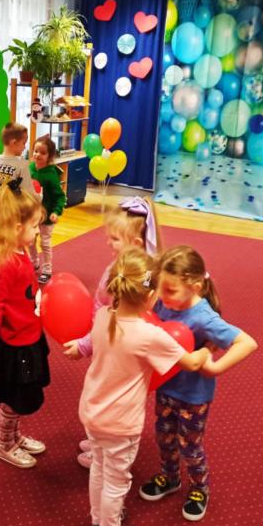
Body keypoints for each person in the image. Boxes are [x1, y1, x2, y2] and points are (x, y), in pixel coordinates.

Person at [80, 248, 210, 526]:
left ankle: (99, 520)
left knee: (99, 468)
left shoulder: (103, 315)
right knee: (117, 480)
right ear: (151, 297)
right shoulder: (149, 335)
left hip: (92, 412)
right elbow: (192, 362)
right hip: (120, 423)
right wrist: (208, 349)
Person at [138, 245, 257, 522]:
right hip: (165, 388)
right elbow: (143, 287)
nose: (162, 296)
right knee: (164, 437)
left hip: (193, 396)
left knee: (190, 446)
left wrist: (214, 368)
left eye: (170, 290)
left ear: (194, 287)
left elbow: (247, 343)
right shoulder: (163, 301)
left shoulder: (203, 317)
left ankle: (199, 488)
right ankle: (170, 477)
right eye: (160, 288)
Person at [64, 196, 161, 468]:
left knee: (105, 396)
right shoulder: (128, 269)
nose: (108, 242)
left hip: (113, 348)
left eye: (115, 238)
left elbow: (112, 323)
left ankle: (102, 451)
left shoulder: (129, 282)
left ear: (136, 243)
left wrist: (86, 344)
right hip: (107, 341)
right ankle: (98, 441)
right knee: (102, 393)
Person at [0, 178, 49, 469]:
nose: (37, 231)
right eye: (34, 226)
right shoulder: (7, 264)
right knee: (15, 397)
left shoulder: (20, 251)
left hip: (28, 334)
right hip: (15, 343)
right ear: (16, 228)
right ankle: (4, 444)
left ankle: (14, 437)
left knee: (21, 395)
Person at [28, 135, 66, 285]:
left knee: (45, 243)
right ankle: (34, 262)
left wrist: (56, 211)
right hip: (32, 215)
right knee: (30, 240)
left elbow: (60, 196)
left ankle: (47, 270)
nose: (38, 155)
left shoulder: (51, 175)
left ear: (49, 156)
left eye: (42, 153)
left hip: (47, 215)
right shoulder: (30, 168)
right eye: (36, 151)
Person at [0, 122, 36, 196]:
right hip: (13, 203)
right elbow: (29, 193)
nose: (24, 147)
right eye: (23, 143)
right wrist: (39, 196)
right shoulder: (21, 164)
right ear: (14, 142)